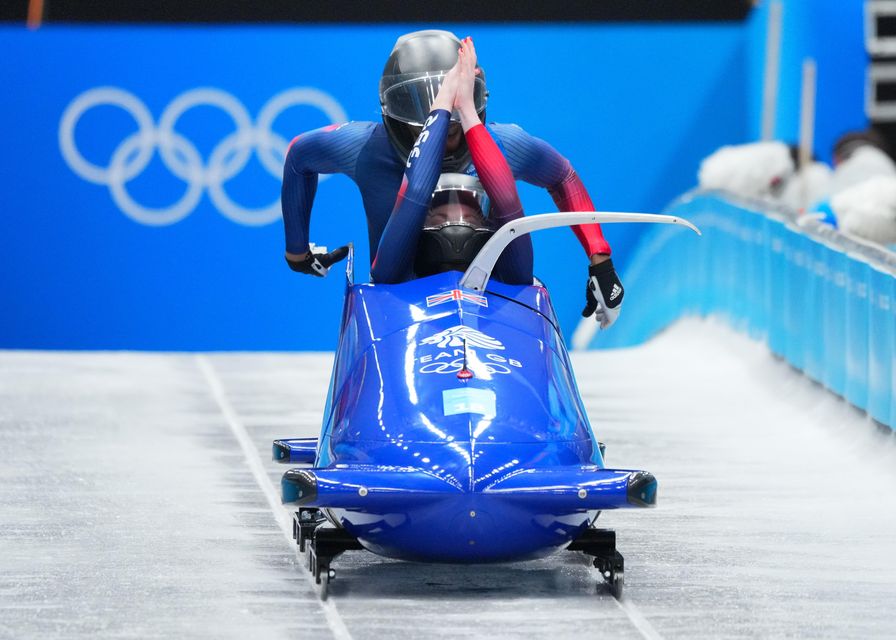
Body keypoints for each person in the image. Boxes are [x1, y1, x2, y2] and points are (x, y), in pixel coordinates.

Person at [281, 29, 624, 328]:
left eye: (456, 121)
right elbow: (299, 156)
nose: (448, 136)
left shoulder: (502, 144)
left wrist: (600, 259)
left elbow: (561, 175)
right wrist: (296, 251)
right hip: (398, 297)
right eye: (437, 124)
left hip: (494, 301)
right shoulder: (365, 147)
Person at [371, 38, 532, 284]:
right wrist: (449, 98)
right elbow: (416, 190)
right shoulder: (392, 276)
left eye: (469, 219)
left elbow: (508, 202)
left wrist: (464, 107)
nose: (455, 225)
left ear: (488, 224)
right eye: (440, 219)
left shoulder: (513, 277)